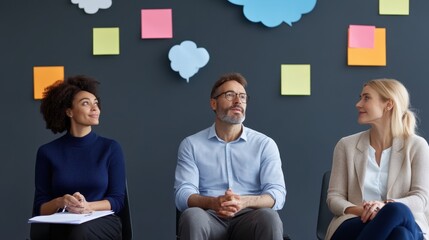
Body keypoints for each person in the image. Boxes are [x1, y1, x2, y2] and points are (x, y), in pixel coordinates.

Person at [174, 72, 287, 240]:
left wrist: (244, 202)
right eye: (229, 95)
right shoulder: (191, 145)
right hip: (209, 217)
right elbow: (183, 195)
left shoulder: (264, 144)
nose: (238, 101)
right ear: (213, 103)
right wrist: (213, 202)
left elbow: (276, 194)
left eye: (242, 96)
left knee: (269, 217)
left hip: (250, 218)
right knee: (192, 217)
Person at [326, 78, 429, 240]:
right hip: (356, 222)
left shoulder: (417, 146)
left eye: (366, 98)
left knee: (396, 214)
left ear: (388, 104)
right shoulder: (346, 145)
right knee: (400, 232)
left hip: (406, 221)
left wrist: (384, 207)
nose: (358, 104)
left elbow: (421, 199)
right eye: (361, 97)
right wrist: (365, 211)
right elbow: (334, 198)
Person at [32, 75, 126, 240]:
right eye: (85, 103)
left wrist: (88, 206)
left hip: (102, 222)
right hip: (61, 222)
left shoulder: (110, 148)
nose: (95, 108)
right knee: (68, 232)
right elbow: (41, 208)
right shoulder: (47, 152)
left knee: (79, 231)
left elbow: (117, 200)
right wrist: (62, 202)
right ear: (69, 111)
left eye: (96, 103)